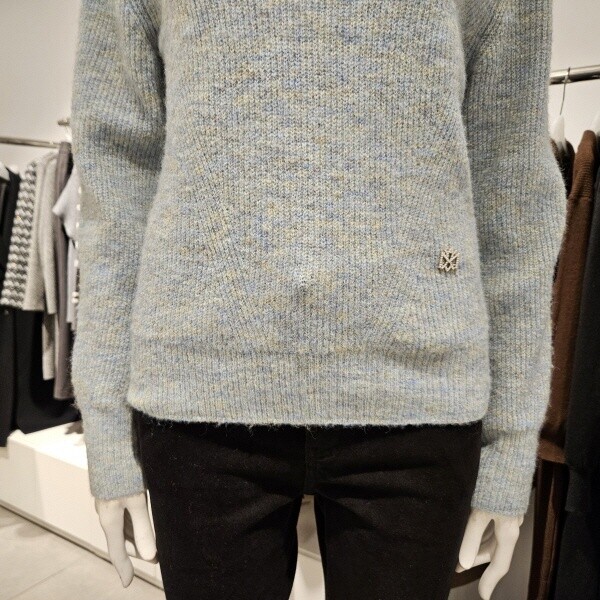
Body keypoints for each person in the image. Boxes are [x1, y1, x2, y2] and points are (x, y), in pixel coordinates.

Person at [69, 1, 566, 598]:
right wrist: (106, 427)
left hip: (420, 393)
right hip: (197, 392)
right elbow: (116, 185)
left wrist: (510, 443)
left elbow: (511, 189)